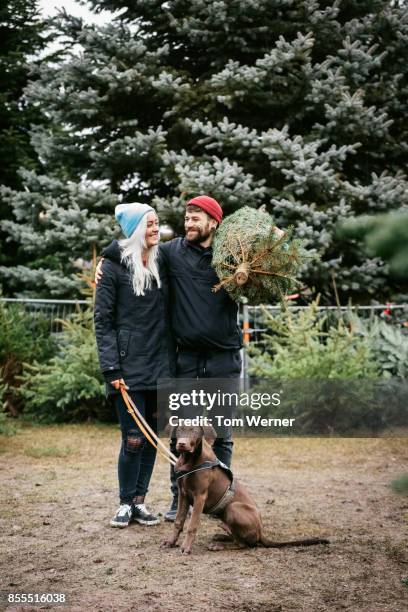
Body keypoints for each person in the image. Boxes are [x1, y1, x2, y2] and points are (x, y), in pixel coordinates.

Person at [94, 202, 172, 528]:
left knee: (152, 438)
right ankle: (125, 502)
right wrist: (111, 368)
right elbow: (103, 321)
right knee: (133, 439)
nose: (156, 229)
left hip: (161, 366)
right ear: (137, 229)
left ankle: (140, 502)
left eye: (157, 224)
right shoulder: (113, 268)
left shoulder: (162, 262)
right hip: (127, 369)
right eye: (150, 225)